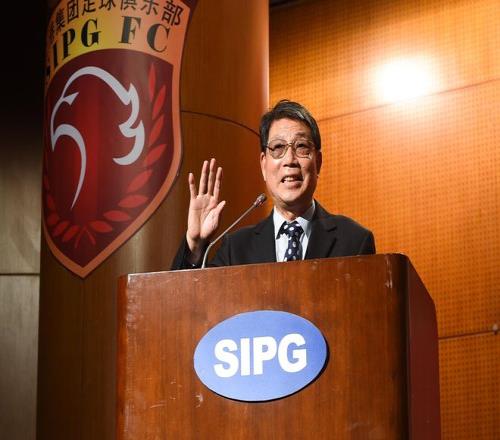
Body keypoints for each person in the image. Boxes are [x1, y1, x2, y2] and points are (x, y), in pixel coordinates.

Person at [171, 99, 375, 269]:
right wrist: (195, 246)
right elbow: (187, 302)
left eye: (301, 146)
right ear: (263, 164)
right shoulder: (236, 248)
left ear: (318, 162)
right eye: (278, 148)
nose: (290, 160)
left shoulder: (354, 241)